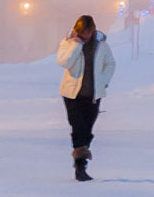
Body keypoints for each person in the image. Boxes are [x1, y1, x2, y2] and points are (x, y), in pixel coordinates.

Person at [56, 14, 115, 183]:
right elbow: (64, 62)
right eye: (83, 32)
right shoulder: (68, 43)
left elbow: (110, 63)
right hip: (72, 94)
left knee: (87, 130)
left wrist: (103, 82)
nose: (86, 36)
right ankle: (80, 166)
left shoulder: (101, 45)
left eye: (89, 32)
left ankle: (80, 162)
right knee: (78, 127)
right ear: (77, 30)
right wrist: (76, 44)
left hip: (93, 95)